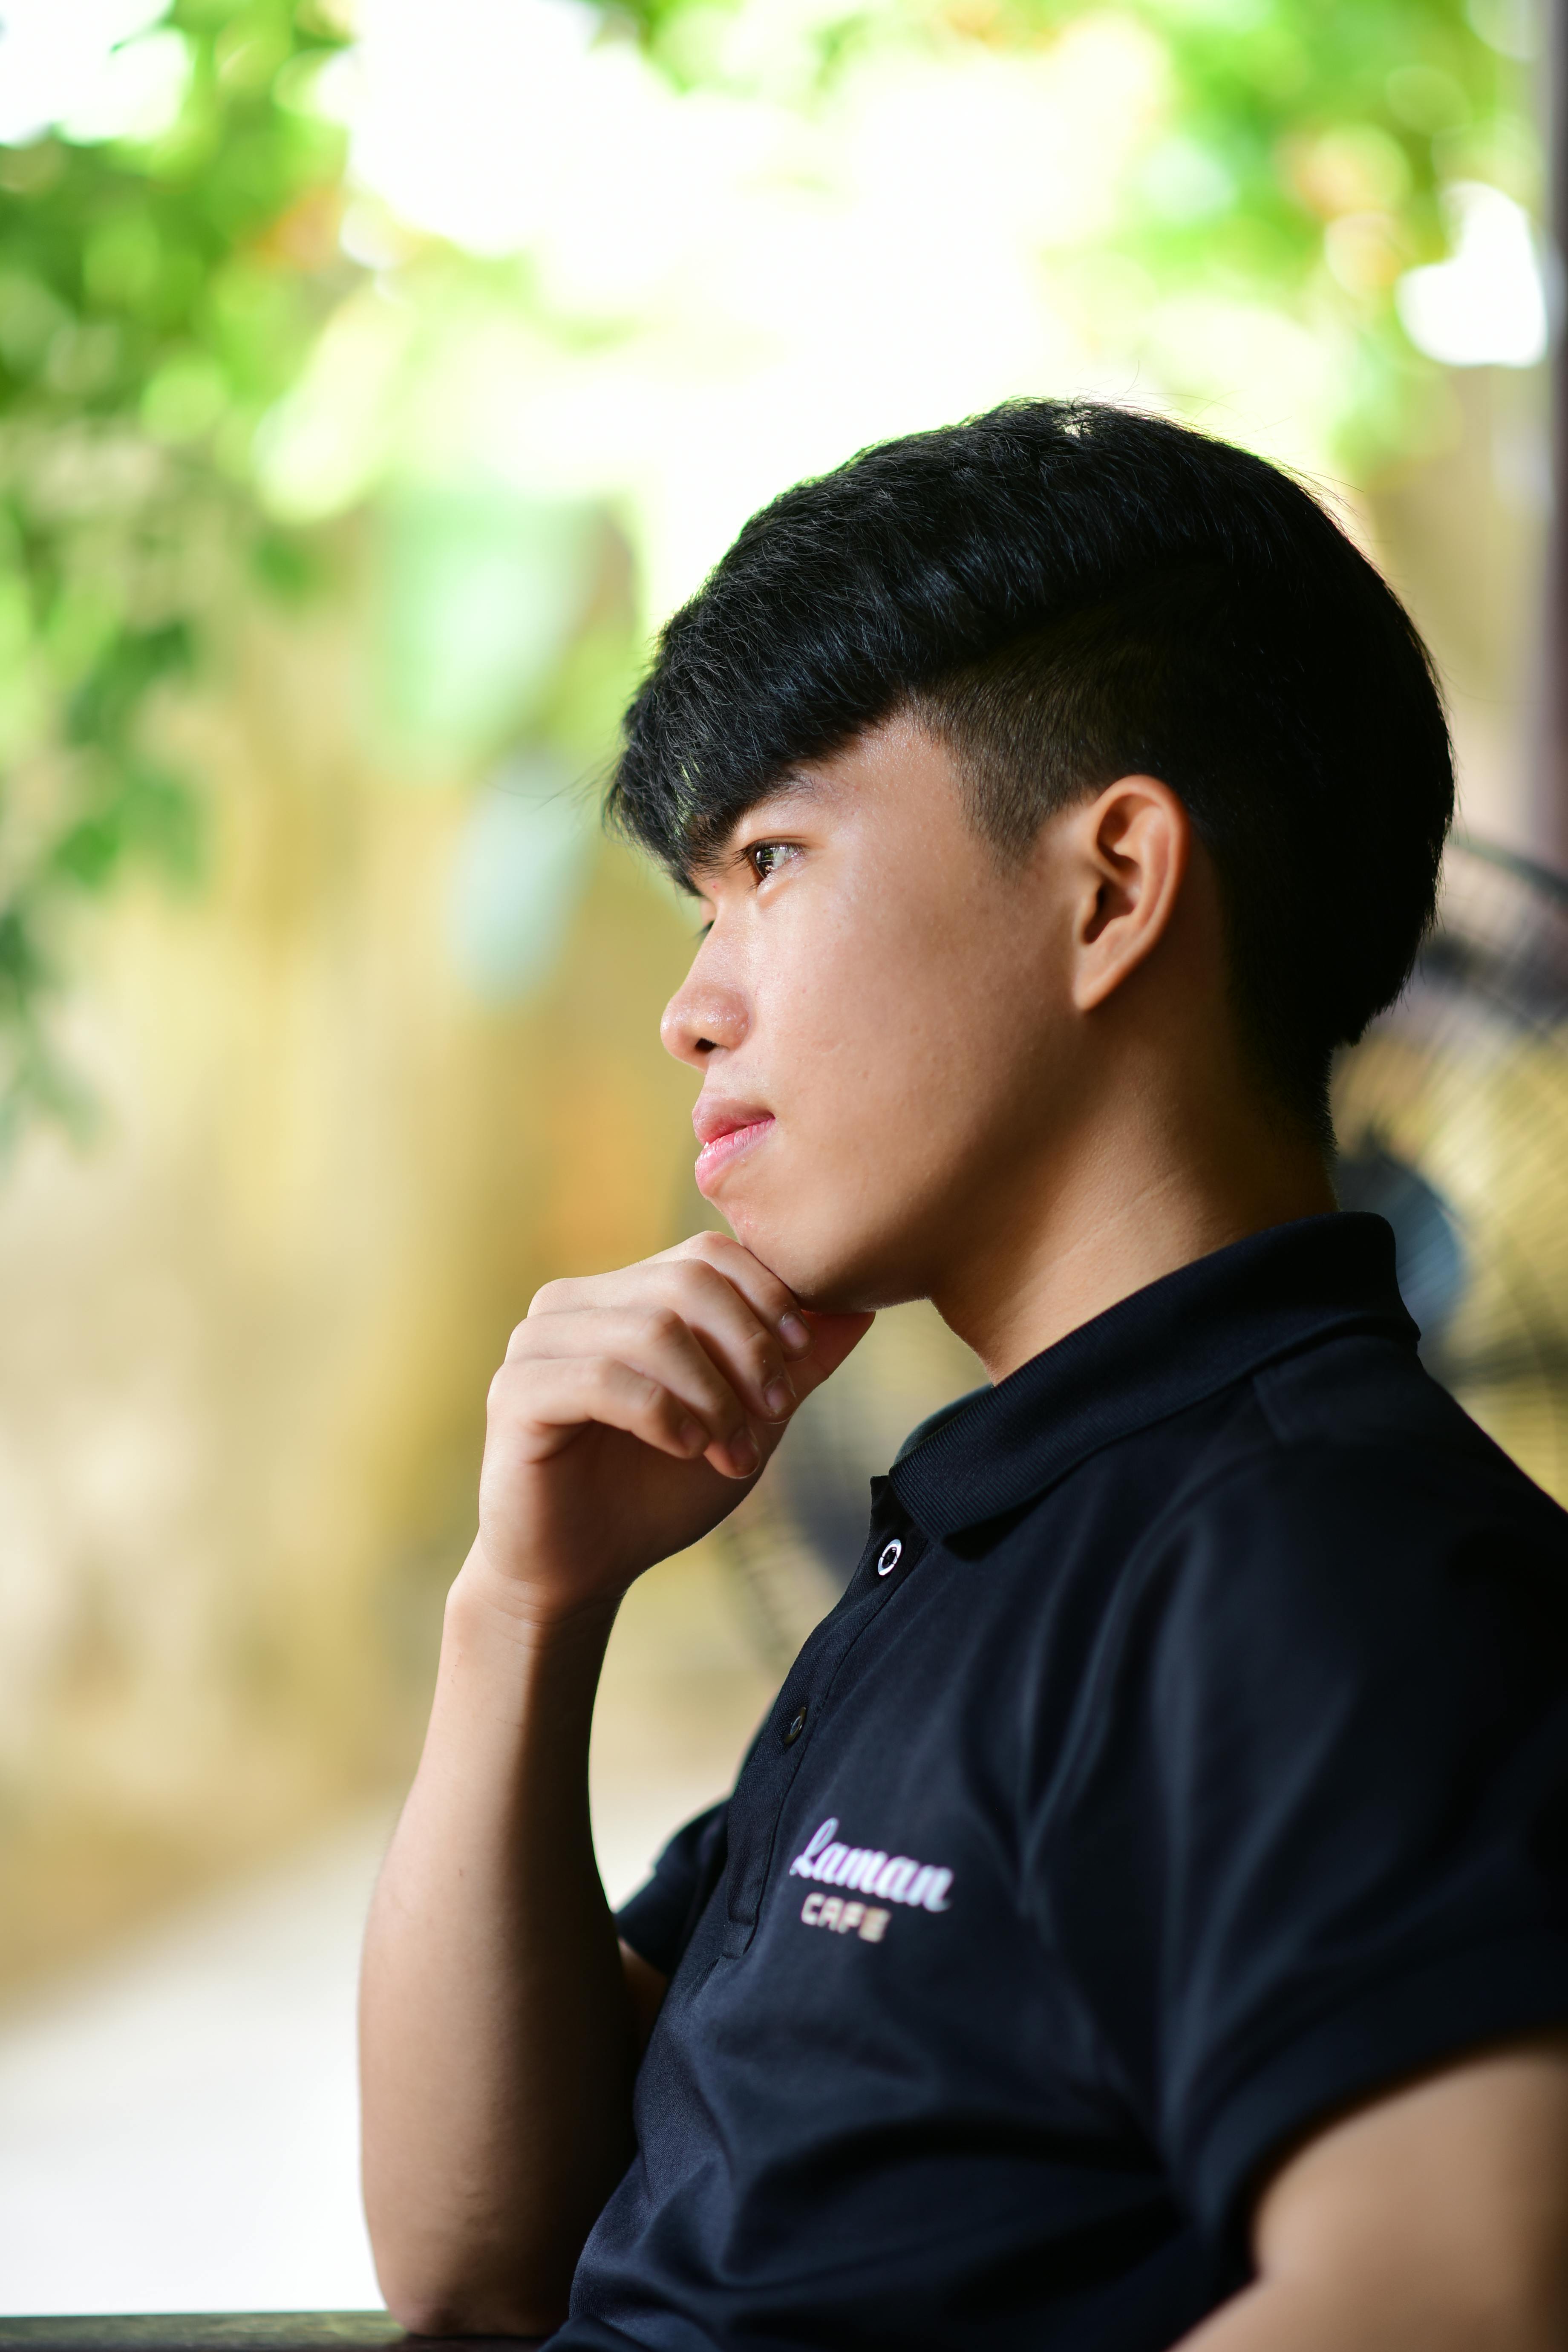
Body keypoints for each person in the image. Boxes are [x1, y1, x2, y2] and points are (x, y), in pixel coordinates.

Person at [358, 401, 1568, 2352]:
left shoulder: (1312, 1564)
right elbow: (474, 2261)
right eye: (699, 904)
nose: (691, 1005)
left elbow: (1451, 2278)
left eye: (770, 858)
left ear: (1108, 888)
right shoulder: (1002, 1529)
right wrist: (525, 1609)